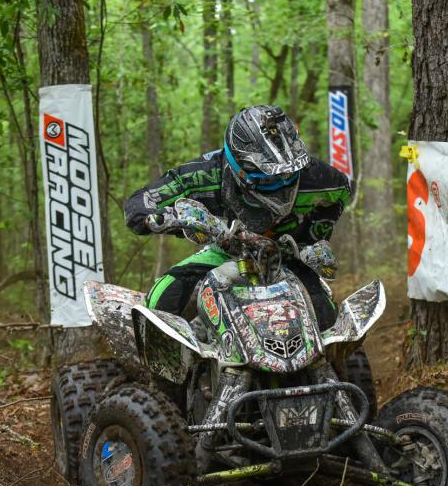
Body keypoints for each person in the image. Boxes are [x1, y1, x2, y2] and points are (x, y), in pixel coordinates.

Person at [124, 105, 350, 329]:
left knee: (326, 316)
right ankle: (166, 362)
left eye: (288, 174)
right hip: (226, 250)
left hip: (286, 256)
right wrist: (159, 218)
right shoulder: (206, 173)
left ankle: (336, 364)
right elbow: (141, 200)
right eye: (268, 178)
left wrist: (312, 238)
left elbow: (341, 191)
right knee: (163, 296)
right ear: (238, 166)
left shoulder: (318, 177)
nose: (281, 182)